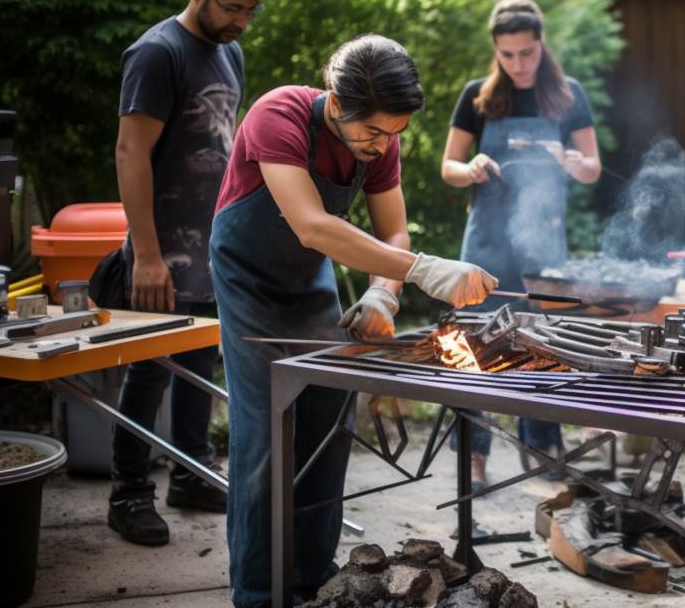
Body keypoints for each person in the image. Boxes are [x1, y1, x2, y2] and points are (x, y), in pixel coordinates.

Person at [210, 34, 495, 607]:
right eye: (375, 131)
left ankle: (313, 581)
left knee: (329, 420)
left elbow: (392, 232)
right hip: (248, 281)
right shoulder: (279, 115)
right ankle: (260, 593)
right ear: (337, 105)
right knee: (268, 433)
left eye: (396, 132)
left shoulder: (376, 141)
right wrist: (422, 271)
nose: (385, 143)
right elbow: (313, 225)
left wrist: (383, 295)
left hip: (310, 279)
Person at [108, 0, 264, 547]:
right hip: (162, 252)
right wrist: (146, 254)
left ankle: (193, 475)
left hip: (214, 247)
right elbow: (130, 153)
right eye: (232, 8)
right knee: (150, 369)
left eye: (250, 11)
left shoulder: (231, 53)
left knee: (200, 362)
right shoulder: (156, 52)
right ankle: (128, 494)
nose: (242, 22)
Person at [440, 0, 600, 487]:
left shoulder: (568, 94)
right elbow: (448, 167)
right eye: (508, 55)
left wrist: (575, 164)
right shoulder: (477, 96)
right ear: (497, 51)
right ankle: (474, 457)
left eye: (526, 53)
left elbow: (592, 168)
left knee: (544, 344)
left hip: (544, 241)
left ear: (540, 45)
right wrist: (469, 170)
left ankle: (544, 448)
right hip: (486, 240)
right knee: (476, 348)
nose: (518, 65)